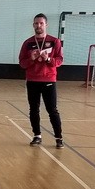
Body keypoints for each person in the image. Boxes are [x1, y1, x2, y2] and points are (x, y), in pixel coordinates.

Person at [18, 13, 64, 148]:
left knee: (52, 110)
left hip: (49, 79)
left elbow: (59, 60)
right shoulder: (28, 43)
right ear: (33, 25)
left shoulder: (55, 42)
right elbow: (22, 63)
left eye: (41, 23)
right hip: (32, 80)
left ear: (46, 25)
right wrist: (31, 59)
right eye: (36, 23)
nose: (39, 25)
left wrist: (48, 59)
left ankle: (59, 138)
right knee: (34, 109)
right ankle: (37, 135)